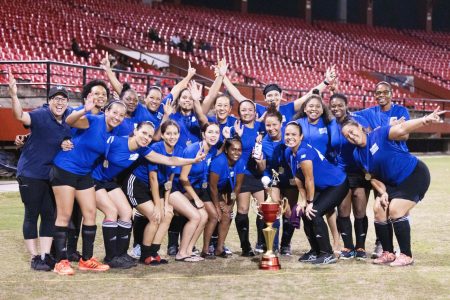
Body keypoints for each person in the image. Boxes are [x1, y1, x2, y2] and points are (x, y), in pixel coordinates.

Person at [90, 121, 205, 268]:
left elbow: (170, 166)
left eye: (150, 135)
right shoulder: (146, 146)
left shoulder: (148, 149)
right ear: (136, 130)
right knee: (153, 215)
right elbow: (153, 178)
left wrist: (193, 160)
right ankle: (135, 254)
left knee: (163, 214)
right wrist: (158, 204)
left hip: (137, 185)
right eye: (144, 133)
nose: (146, 137)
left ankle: (143, 253)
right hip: (135, 184)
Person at [341, 109, 443, 266]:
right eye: (347, 136)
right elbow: (371, 177)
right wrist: (382, 193)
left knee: (395, 210)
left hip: (414, 174)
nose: (351, 136)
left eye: (352, 131)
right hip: (392, 184)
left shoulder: (379, 134)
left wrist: (425, 120)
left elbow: (402, 128)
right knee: (379, 209)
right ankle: (388, 253)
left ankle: (406, 255)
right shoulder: (357, 154)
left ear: (359, 127)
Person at [51, 95, 127, 275]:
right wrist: (85, 109)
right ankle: (60, 262)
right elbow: (69, 121)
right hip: (66, 168)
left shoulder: (115, 131)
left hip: (85, 173)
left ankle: (86, 259)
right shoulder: (94, 120)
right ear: (106, 111)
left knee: (91, 214)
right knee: (65, 214)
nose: (117, 117)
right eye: (114, 112)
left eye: (121, 115)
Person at [8, 69, 72, 271]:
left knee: (48, 214)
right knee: (31, 214)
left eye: (63, 99)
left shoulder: (69, 120)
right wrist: (14, 95)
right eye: (56, 99)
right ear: (49, 101)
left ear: (68, 103)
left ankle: (45, 255)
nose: (60, 102)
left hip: (50, 176)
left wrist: (67, 142)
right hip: (30, 173)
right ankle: (35, 256)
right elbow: (20, 116)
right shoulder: (41, 115)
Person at [354, 81, 410, 258]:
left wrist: (379, 131)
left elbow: (405, 135)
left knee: (397, 207)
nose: (380, 95)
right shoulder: (369, 112)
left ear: (391, 93)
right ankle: (382, 244)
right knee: (380, 206)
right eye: (377, 93)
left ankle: (398, 247)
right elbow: (347, 115)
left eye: (384, 92)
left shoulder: (401, 111)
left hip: (396, 164)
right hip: (377, 165)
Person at [284, 121, 349, 265]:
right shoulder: (289, 151)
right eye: (287, 134)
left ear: (301, 136)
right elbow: (298, 178)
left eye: (294, 134)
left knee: (314, 212)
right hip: (323, 186)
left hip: (337, 184)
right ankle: (316, 250)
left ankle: (327, 253)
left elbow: (309, 179)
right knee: (305, 214)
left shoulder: (303, 152)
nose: (290, 137)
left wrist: (310, 202)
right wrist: (303, 201)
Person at [295, 92, 341, 253]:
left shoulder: (328, 122)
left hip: (324, 172)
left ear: (323, 110)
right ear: (305, 109)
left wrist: (334, 123)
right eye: (310, 106)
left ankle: (336, 241)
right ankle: (317, 247)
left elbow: (335, 143)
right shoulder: (298, 123)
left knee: (328, 210)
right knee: (312, 209)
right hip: (307, 174)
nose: (314, 109)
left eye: (317, 106)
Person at [329, 93, 371, 260]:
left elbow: (368, 136)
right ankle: (348, 246)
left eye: (340, 105)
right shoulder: (329, 123)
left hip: (359, 170)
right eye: (333, 105)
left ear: (346, 105)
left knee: (360, 210)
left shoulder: (357, 120)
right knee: (343, 210)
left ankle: (360, 247)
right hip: (339, 172)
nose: (336, 108)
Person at [222, 65, 337, 123]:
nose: (273, 98)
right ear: (265, 99)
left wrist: (326, 81)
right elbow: (239, 97)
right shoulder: (260, 109)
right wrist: (223, 77)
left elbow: (308, 95)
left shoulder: (289, 108)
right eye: (270, 95)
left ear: (281, 96)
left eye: (276, 95)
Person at [259, 105, 298, 255]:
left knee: (289, 212)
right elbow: (263, 167)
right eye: (268, 125)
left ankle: (286, 245)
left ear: (281, 124)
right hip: (272, 178)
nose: (271, 128)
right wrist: (260, 162)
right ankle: (272, 246)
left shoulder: (289, 137)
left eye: (274, 124)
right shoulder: (263, 143)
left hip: (290, 179)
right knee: (273, 211)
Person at [178, 122, 220, 259]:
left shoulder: (212, 151)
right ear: (203, 134)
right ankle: (181, 251)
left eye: (216, 133)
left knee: (205, 217)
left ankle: (189, 250)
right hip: (183, 189)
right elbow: (183, 178)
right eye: (210, 132)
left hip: (198, 189)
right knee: (197, 216)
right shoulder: (192, 150)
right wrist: (195, 198)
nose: (213, 135)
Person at [231, 100, 265, 256]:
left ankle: (262, 243)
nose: (246, 112)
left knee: (263, 210)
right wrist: (236, 136)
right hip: (242, 175)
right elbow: (230, 153)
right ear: (239, 112)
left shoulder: (261, 128)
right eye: (243, 110)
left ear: (255, 112)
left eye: (250, 109)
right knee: (243, 210)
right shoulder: (235, 129)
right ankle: (245, 247)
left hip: (258, 174)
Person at [209, 136, 245, 257]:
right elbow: (212, 187)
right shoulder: (219, 162)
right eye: (233, 149)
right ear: (226, 150)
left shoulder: (240, 161)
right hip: (208, 190)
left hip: (223, 190)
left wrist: (230, 205)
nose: (236, 153)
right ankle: (208, 246)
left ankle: (219, 248)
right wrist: (218, 206)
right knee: (219, 214)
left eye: (239, 150)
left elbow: (237, 187)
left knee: (227, 214)